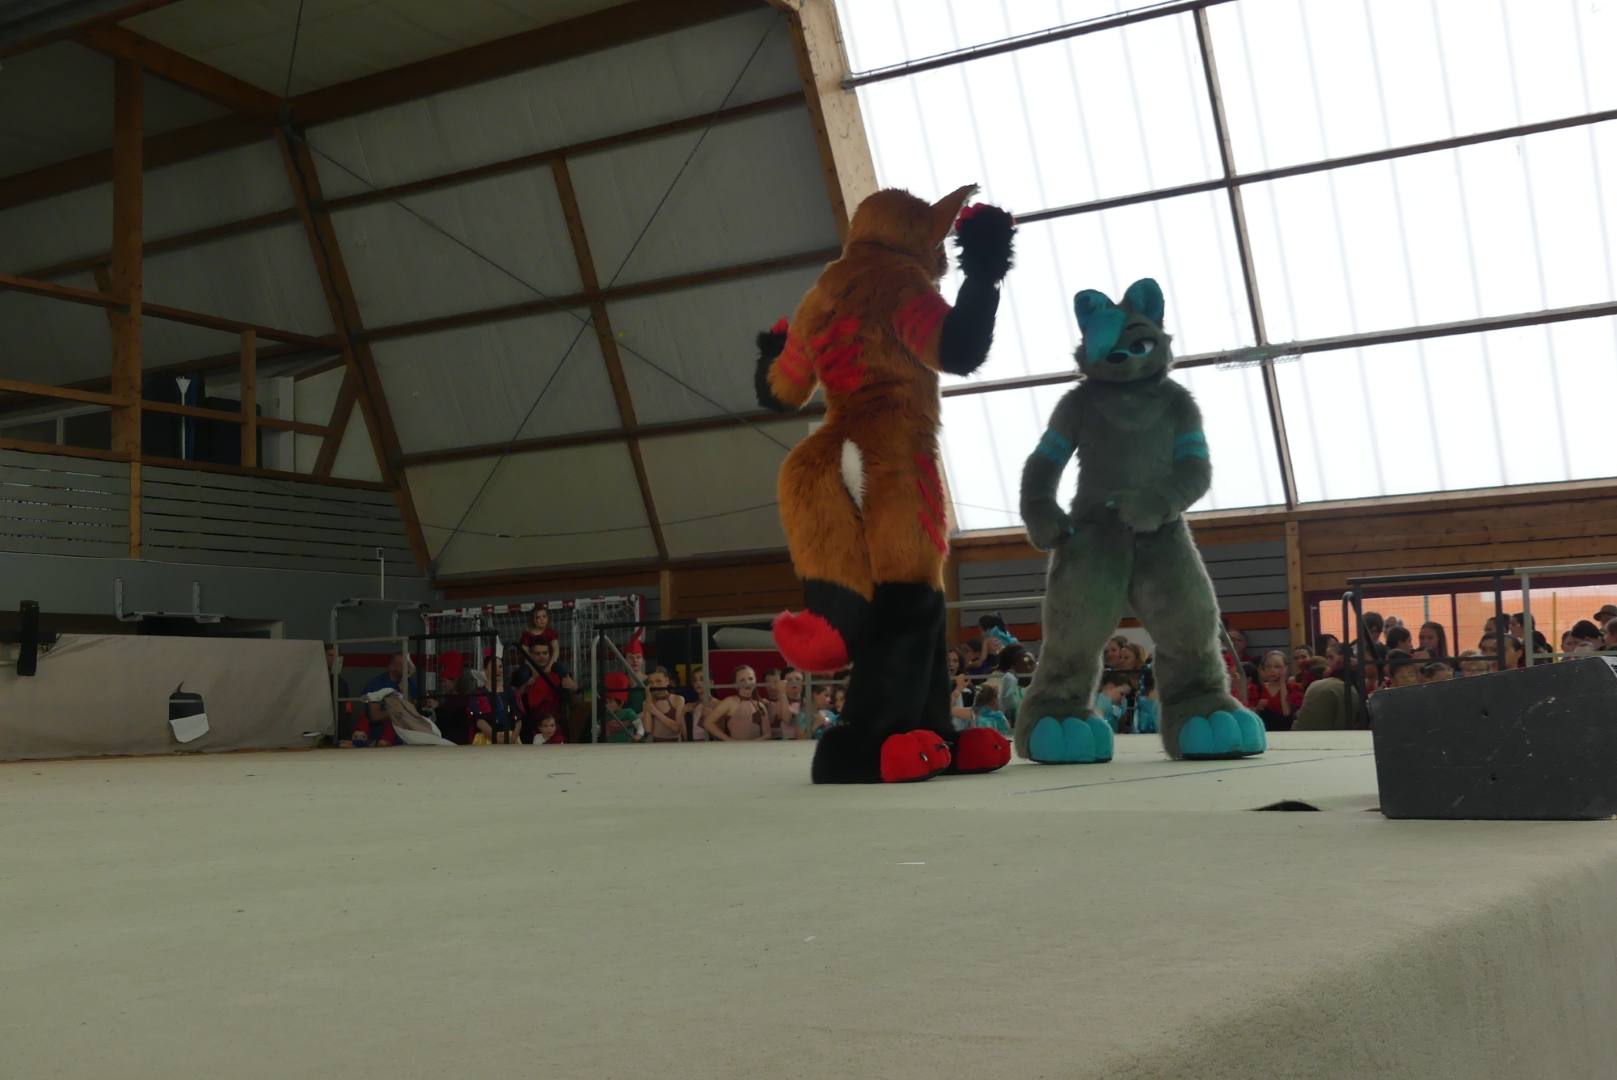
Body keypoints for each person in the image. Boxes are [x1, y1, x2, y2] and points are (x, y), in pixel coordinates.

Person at [355, 652, 425, 747]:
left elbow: (414, 712)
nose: (407, 669)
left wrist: (406, 692)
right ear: (392, 667)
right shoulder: (377, 684)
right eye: (403, 665)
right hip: (381, 735)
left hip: (407, 733)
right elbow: (375, 716)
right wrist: (400, 712)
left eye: (408, 665)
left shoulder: (412, 683)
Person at [514, 639, 576, 745]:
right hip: (531, 726)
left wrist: (574, 687)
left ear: (550, 655)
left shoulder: (559, 674)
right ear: (531, 655)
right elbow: (512, 698)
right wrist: (525, 685)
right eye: (537, 653)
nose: (542, 656)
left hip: (556, 726)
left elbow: (576, 703)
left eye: (545, 653)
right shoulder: (522, 675)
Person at [702, 665, 772, 741]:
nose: (747, 683)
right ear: (735, 684)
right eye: (742, 680)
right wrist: (728, 739)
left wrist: (752, 743)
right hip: (735, 747)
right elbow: (708, 723)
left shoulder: (760, 706)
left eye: (750, 679)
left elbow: (768, 734)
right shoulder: (730, 701)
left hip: (756, 747)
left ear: (755, 681)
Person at [1246, 650, 1303, 731]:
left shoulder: (1293, 688)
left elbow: (1286, 712)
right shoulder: (1256, 689)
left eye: (1277, 667)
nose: (1272, 670)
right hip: (1265, 730)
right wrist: (1258, 707)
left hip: (1287, 731)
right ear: (1263, 669)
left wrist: (1282, 683)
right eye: (1268, 666)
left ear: (1285, 668)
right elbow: (1252, 717)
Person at [641, 667, 687, 742]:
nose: (654, 685)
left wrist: (656, 712)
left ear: (667, 681)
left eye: (658, 681)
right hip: (654, 744)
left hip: (674, 745)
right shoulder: (648, 702)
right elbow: (648, 729)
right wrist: (648, 699)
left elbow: (677, 728)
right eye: (651, 682)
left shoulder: (678, 699)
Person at [995, 644, 1035, 723]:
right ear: (1014, 667)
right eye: (1023, 664)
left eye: (1031, 663)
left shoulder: (1043, 687)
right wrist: (1009, 681)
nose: (1028, 667)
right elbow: (1008, 705)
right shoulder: (1011, 689)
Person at [520, 605, 559, 669]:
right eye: (538, 617)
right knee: (524, 673)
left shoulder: (551, 633)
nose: (542, 619)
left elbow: (556, 649)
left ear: (548, 618)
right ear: (533, 620)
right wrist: (533, 669)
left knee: (562, 669)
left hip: (550, 661)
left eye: (544, 616)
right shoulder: (527, 635)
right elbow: (525, 653)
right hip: (530, 663)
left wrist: (550, 665)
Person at [683, 665, 712, 741]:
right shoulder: (691, 706)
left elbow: (719, 735)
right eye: (695, 680)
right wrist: (682, 715)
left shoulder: (717, 704)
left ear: (711, 682)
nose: (698, 683)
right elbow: (685, 736)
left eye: (702, 679)